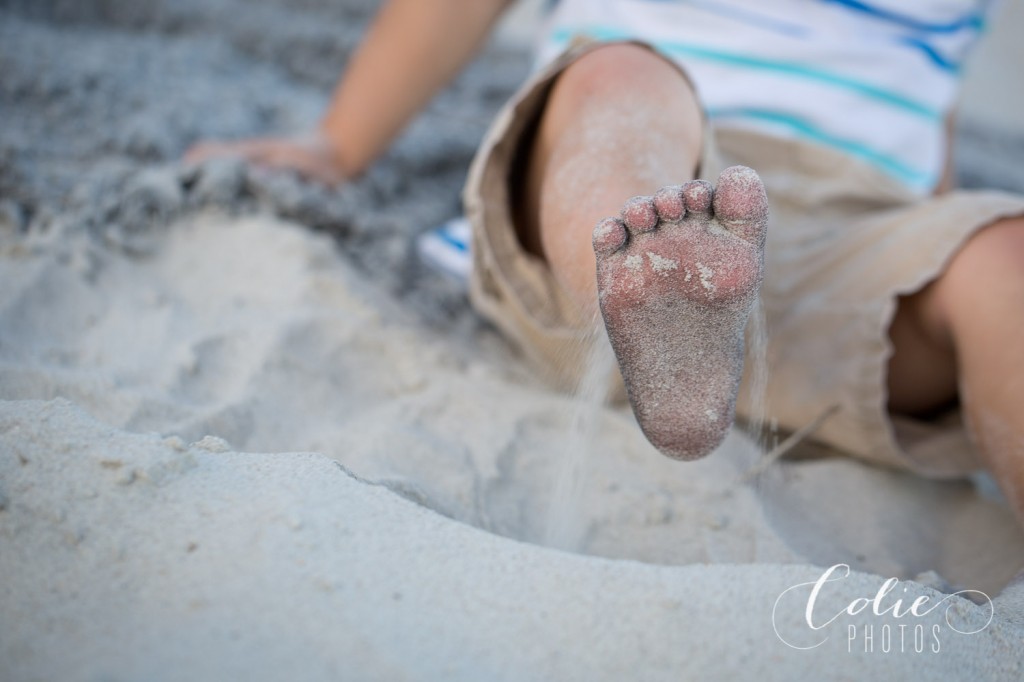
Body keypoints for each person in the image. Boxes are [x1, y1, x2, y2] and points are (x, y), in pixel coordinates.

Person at [186, 0, 1024, 523]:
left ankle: (681, 304)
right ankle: (647, 291)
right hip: (656, 145)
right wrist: (339, 144)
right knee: (617, 76)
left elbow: (927, 92)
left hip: (852, 235)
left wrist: (936, 241)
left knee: (1004, 259)